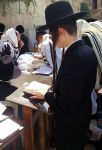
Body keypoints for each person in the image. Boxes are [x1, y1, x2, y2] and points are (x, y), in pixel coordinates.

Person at [30, 1, 97, 150]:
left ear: (60, 31)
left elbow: (67, 103)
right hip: (80, 119)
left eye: (51, 34)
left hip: (70, 126)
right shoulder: (85, 51)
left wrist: (46, 96)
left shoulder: (76, 57)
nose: (51, 39)